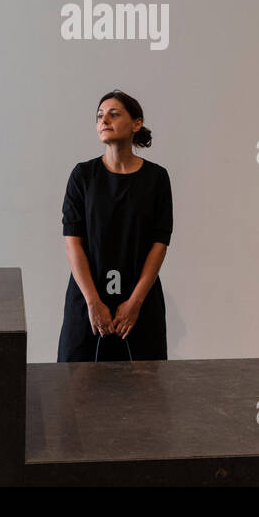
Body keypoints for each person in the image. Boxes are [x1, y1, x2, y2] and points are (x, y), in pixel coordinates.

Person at [57, 90, 173, 362]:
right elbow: (72, 241)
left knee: (144, 392)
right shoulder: (82, 175)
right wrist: (93, 302)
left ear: (136, 124)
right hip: (87, 301)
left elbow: (160, 243)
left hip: (140, 303)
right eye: (99, 115)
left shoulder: (157, 178)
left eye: (114, 113)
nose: (104, 119)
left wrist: (134, 303)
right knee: (78, 391)